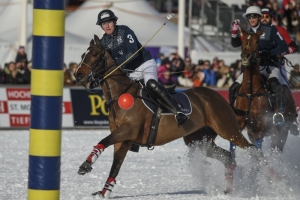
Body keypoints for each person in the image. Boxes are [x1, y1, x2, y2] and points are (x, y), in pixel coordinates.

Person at [96, 9, 188, 127]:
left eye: (109, 22)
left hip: (145, 64)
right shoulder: (103, 42)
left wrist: (116, 63)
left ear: (114, 21)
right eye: (104, 23)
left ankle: (177, 112)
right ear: (101, 27)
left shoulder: (125, 31)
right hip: (129, 72)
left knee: (151, 84)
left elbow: (134, 52)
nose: (107, 25)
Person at [229, 6, 289, 124]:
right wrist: (234, 33)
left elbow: (283, 46)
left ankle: (279, 114)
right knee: (233, 88)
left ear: (259, 17)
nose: (251, 18)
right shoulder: (247, 32)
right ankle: (233, 114)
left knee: (275, 85)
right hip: (250, 70)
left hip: (269, 67)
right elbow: (236, 44)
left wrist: (269, 53)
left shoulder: (269, 30)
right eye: (249, 17)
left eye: (254, 16)